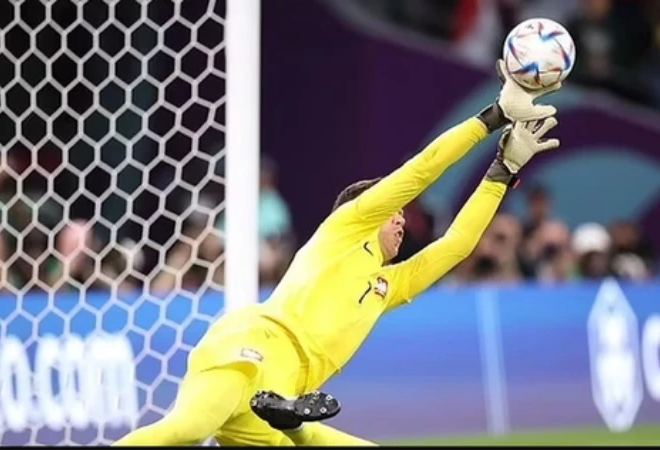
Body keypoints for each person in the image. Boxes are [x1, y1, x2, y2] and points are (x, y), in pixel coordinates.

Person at [112, 59, 562, 447]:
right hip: (253, 348)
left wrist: (503, 170)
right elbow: (422, 170)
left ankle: (291, 420)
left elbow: (457, 245)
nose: (402, 221)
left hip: (283, 398)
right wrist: (494, 116)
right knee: (189, 430)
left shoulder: (387, 285)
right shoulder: (347, 227)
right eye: (394, 213)